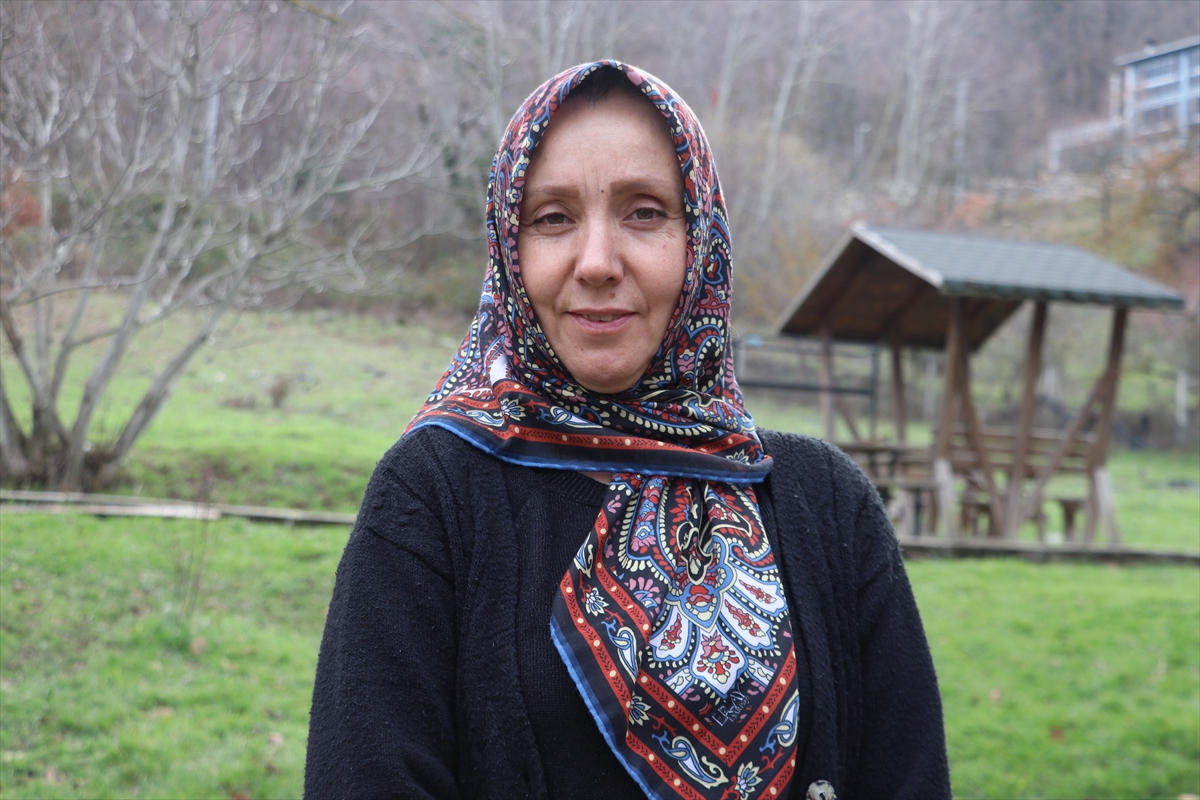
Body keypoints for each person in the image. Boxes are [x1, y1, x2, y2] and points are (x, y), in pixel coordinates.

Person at [305, 61, 951, 800]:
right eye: (553, 218)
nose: (596, 263)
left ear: (700, 239)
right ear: (509, 250)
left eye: (644, 213)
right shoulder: (432, 495)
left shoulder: (828, 505)